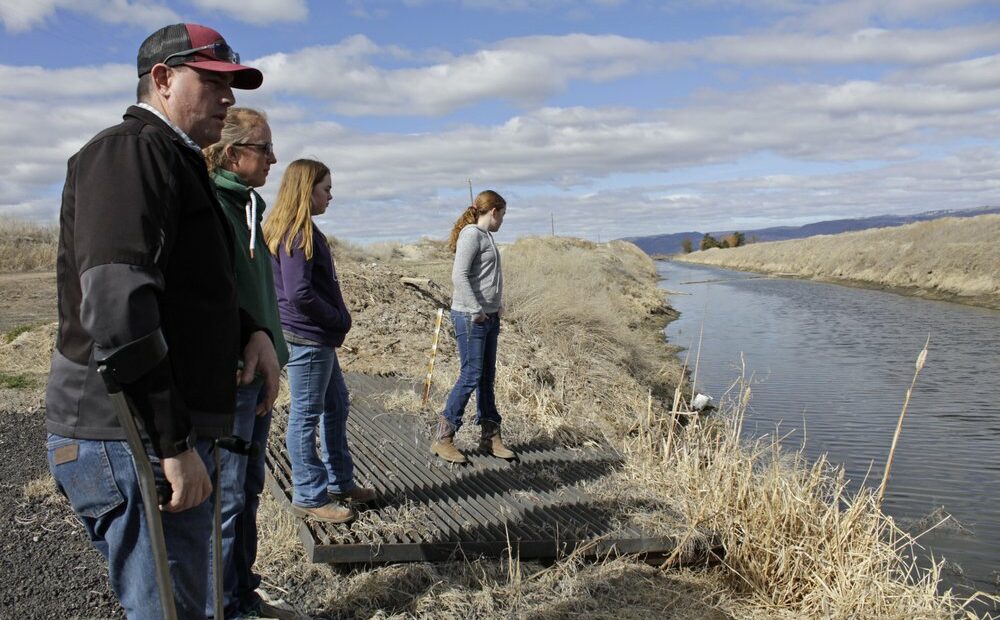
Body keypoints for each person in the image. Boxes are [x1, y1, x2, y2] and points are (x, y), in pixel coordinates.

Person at [45, 23, 279, 619]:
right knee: (169, 611)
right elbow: (119, 310)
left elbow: (184, 287)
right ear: (164, 78)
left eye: (233, 86)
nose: (228, 99)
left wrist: (250, 327)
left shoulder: (174, 160)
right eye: (215, 82)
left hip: (151, 435)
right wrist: (171, 443)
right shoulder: (129, 153)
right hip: (128, 436)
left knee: (189, 603)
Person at [203, 107, 289, 618]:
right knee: (227, 498)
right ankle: (222, 607)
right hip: (232, 378)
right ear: (233, 154)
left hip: (259, 374)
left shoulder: (251, 207)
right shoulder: (211, 206)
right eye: (264, 148)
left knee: (248, 490)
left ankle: (242, 593)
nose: (273, 158)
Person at [262, 159, 376, 523]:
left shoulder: (298, 229)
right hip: (308, 339)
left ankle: (340, 481)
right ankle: (310, 494)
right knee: (306, 414)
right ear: (306, 189)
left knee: (337, 404)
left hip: (314, 338)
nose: (331, 195)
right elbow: (298, 293)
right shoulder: (298, 232)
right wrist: (338, 318)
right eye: (326, 188)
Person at [431, 190, 516, 464]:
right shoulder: (471, 234)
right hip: (471, 317)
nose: (502, 221)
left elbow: (488, 277)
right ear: (494, 212)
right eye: (502, 215)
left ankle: (490, 436)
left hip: (488, 317)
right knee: (470, 375)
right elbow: (460, 275)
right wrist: (478, 309)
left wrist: (496, 305)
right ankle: (443, 437)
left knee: (486, 378)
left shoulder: (487, 237)